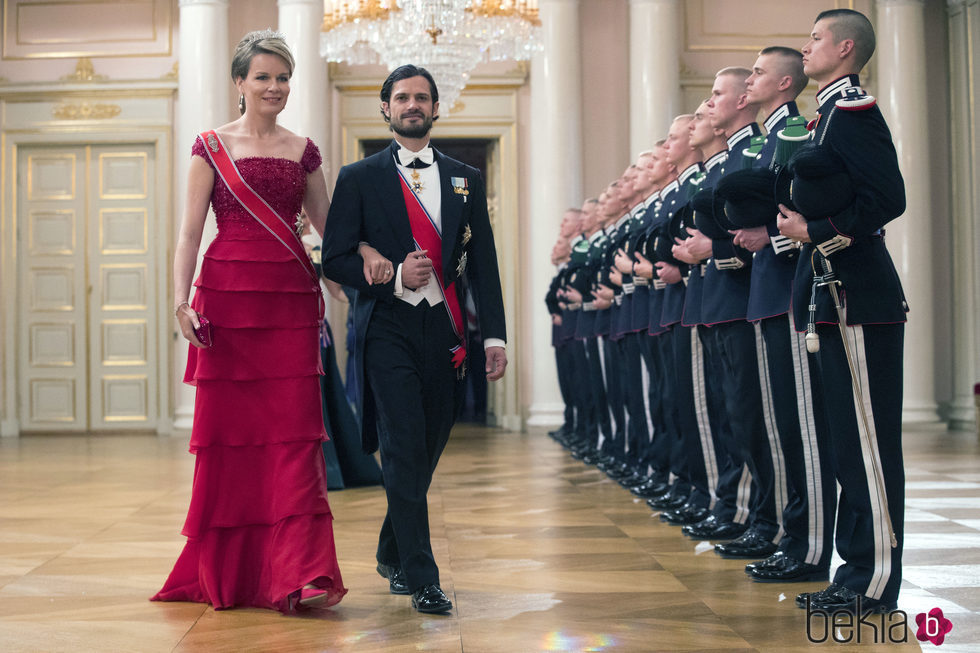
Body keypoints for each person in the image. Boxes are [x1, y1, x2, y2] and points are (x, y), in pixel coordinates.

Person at [152, 30, 346, 613]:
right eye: (262, 77)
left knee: (292, 438)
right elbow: (190, 232)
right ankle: (234, 575)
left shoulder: (303, 149)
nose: (274, 87)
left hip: (287, 302)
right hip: (228, 304)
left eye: (283, 77)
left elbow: (328, 234)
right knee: (233, 443)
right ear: (240, 83)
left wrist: (358, 281)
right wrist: (180, 301)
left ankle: (298, 571)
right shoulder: (210, 145)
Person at [321, 65, 507, 615]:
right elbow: (333, 258)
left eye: (421, 97)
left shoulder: (464, 177)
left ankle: (389, 545)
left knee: (426, 447)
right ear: (386, 108)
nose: (411, 104)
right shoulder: (359, 177)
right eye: (401, 97)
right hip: (388, 329)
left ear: (434, 107)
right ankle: (421, 575)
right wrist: (392, 274)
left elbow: (486, 267)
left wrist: (493, 336)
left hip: (446, 330)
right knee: (402, 445)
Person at [780, 8, 907, 615]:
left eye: (815, 39)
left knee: (869, 446)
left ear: (846, 47)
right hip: (831, 298)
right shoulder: (826, 113)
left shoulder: (852, 111)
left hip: (859, 295)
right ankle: (853, 573)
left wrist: (818, 231)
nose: (807, 48)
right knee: (845, 445)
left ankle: (875, 582)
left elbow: (888, 198)